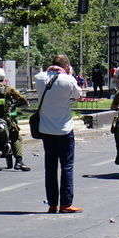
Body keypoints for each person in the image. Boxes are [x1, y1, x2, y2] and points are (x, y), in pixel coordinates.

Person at [35, 55, 83, 212]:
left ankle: (52, 204)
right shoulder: (68, 80)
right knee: (67, 166)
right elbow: (78, 95)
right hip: (64, 129)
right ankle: (66, 204)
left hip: (46, 130)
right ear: (66, 66)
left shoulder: (40, 78)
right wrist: (70, 75)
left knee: (50, 167)